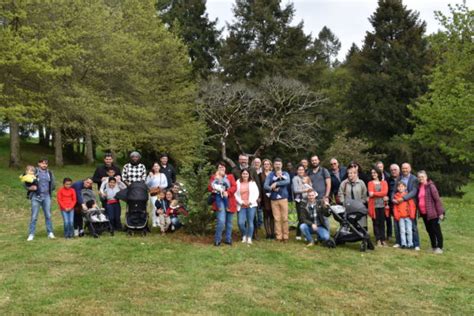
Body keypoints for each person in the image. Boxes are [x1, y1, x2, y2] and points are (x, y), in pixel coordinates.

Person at [26, 158, 56, 241]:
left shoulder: (50, 173)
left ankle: (50, 233)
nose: (44, 165)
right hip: (36, 197)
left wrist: (49, 190)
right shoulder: (34, 171)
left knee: (48, 215)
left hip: (46, 197)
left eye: (46, 164)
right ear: (39, 164)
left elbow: (53, 184)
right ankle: (31, 234)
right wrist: (29, 188)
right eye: (43, 163)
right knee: (34, 216)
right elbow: (25, 181)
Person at [208, 162, 237, 246]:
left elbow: (234, 187)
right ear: (217, 169)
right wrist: (216, 186)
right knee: (221, 221)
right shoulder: (214, 177)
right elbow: (210, 187)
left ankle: (228, 239)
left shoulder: (230, 177)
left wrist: (228, 192)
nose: (222, 168)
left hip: (229, 200)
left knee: (229, 222)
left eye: (223, 167)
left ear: (225, 168)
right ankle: (217, 239)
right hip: (219, 201)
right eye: (220, 167)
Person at [393, 163, 420, 251]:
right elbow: (393, 191)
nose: (404, 170)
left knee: (412, 226)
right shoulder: (399, 178)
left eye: (406, 168)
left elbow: (414, 192)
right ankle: (399, 242)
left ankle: (415, 244)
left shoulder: (414, 179)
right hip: (399, 206)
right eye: (403, 168)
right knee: (398, 225)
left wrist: (403, 198)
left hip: (410, 206)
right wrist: (392, 199)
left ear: (410, 169)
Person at [417, 171, 445, 254]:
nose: (420, 178)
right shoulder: (419, 187)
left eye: (422, 176)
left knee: (436, 230)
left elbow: (437, 200)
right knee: (429, 230)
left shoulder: (431, 186)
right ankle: (433, 246)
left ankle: (440, 247)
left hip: (433, 213)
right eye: (419, 177)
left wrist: (440, 213)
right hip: (424, 213)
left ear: (426, 177)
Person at [264, 158, 291, 242]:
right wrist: (271, 188)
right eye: (276, 164)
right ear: (274, 165)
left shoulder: (285, 173)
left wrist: (276, 183)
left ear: (281, 165)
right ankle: (278, 236)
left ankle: (285, 236)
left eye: (279, 164)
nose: (277, 165)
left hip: (283, 198)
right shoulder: (271, 175)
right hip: (274, 199)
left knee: (285, 218)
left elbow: (287, 181)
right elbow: (265, 186)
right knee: (277, 219)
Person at [235, 169, 260, 244]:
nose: (245, 175)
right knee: (240, 223)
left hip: (251, 205)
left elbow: (256, 193)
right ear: (241, 174)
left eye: (246, 174)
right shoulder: (238, 182)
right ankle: (244, 235)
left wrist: (250, 202)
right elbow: (235, 194)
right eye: (243, 174)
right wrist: (241, 202)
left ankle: (249, 238)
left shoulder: (252, 182)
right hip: (241, 205)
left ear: (249, 175)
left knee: (250, 222)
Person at [368, 168, 389, 246]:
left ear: (378, 173)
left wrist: (374, 194)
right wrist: (379, 194)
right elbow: (370, 194)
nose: (373, 174)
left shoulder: (384, 182)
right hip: (374, 206)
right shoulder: (370, 183)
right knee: (375, 223)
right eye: (372, 173)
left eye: (375, 172)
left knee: (382, 223)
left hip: (382, 206)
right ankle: (378, 239)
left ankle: (383, 239)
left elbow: (385, 192)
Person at [292, 164, 313, 241]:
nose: (301, 171)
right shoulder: (295, 178)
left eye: (302, 170)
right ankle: (298, 234)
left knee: (307, 217)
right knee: (301, 218)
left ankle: (305, 235)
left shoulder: (307, 178)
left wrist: (307, 184)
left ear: (304, 171)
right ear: (297, 171)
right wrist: (305, 189)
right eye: (299, 170)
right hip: (299, 200)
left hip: (307, 200)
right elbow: (296, 190)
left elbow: (311, 187)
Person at [393, 182, 416, 249]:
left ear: (405, 187)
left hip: (408, 216)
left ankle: (410, 244)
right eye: (399, 187)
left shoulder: (408, 196)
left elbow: (412, 206)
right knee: (402, 230)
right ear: (397, 188)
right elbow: (395, 208)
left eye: (402, 186)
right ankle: (403, 243)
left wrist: (411, 215)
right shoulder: (396, 196)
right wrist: (397, 215)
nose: (400, 188)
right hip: (401, 217)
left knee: (409, 230)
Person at [146, 162, 168, 227]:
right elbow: (147, 184)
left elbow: (166, 184)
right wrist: (151, 177)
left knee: (160, 207)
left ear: (159, 167)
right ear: (153, 168)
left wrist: (160, 186)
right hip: (153, 194)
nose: (156, 167)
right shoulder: (150, 175)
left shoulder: (163, 175)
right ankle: (154, 221)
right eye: (154, 166)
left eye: (157, 166)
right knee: (155, 207)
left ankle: (159, 221)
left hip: (161, 193)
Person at [375, 160, 392, 240]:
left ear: (383, 167)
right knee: (378, 218)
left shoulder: (388, 176)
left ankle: (389, 234)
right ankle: (379, 235)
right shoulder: (373, 177)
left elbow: (390, 187)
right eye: (378, 167)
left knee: (387, 217)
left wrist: (388, 196)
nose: (379, 168)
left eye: (381, 167)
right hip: (377, 200)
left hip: (386, 199)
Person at [259, 159, 275, 239]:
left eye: (268, 164)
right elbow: (259, 186)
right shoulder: (260, 175)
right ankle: (268, 233)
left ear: (270, 165)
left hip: (273, 196)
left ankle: (272, 233)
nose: (266, 165)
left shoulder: (273, 174)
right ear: (263, 165)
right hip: (264, 197)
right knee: (266, 215)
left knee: (272, 215)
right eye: (265, 164)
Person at [388, 164, 402, 248]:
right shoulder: (388, 180)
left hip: (403, 204)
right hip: (393, 204)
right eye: (392, 170)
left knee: (404, 223)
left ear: (399, 170)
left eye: (395, 170)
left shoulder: (402, 179)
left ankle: (406, 240)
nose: (393, 171)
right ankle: (398, 241)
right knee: (396, 223)